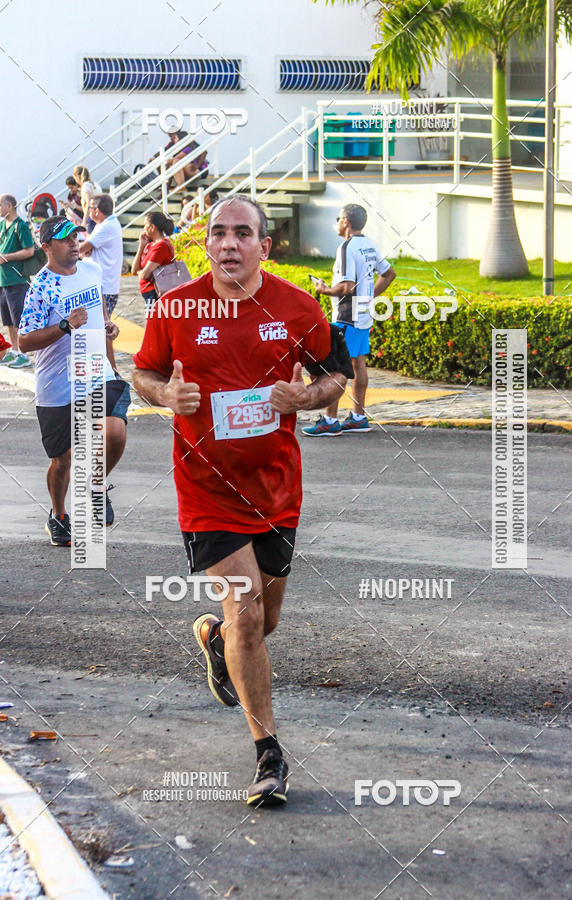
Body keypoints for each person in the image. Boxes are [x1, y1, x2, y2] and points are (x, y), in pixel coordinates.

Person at [132, 197, 351, 807]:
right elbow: (142, 374)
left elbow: (336, 372)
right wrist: (163, 394)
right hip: (205, 489)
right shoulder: (176, 307)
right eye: (219, 234)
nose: (229, 243)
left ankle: (215, 641)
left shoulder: (296, 307)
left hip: (276, 488)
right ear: (207, 244)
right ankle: (269, 755)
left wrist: (304, 398)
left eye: (242, 234)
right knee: (249, 615)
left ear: (264, 246)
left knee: (262, 622)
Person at [18, 216, 130, 546]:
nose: (73, 243)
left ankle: (95, 487)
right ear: (47, 246)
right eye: (65, 239)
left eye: (75, 237)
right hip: (57, 385)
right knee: (62, 460)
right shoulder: (40, 286)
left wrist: (109, 330)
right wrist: (66, 326)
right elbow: (24, 342)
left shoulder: (92, 271)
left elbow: (100, 316)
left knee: (115, 430)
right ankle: (58, 514)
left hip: (97, 371)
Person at [303, 203, 396, 436]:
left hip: (346, 316)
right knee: (358, 363)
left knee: (335, 367)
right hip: (363, 314)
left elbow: (346, 286)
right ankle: (358, 417)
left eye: (338, 218)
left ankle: (330, 421)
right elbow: (389, 274)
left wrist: (323, 290)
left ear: (345, 222)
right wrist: (369, 296)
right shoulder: (368, 245)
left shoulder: (346, 247)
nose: (336, 222)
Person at [0, 193, 35, 368]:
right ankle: (14, 350)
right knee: (7, 318)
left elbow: (29, 251)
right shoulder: (2, 225)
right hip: (3, 280)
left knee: (19, 317)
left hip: (17, 279)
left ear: (10, 206)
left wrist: (7, 257)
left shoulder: (20, 226)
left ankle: (23, 353)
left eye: (0, 205)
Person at [79, 194, 123, 319]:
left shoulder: (107, 226)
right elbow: (87, 250)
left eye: (89, 208)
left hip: (104, 287)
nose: (88, 212)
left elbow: (82, 249)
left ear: (96, 210)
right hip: (100, 285)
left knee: (101, 328)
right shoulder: (103, 224)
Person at [131, 211, 175, 319]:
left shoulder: (161, 246)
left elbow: (145, 275)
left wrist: (140, 272)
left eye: (145, 225)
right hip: (149, 294)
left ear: (152, 227)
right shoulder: (150, 245)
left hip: (156, 293)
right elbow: (134, 270)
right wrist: (141, 246)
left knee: (153, 326)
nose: (143, 229)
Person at [72, 166, 101, 234]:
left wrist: (84, 221)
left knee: (90, 241)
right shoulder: (95, 184)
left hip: (92, 218)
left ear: (77, 176)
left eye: (75, 178)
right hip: (99, 216)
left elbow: (89, 204)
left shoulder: (85, 186)